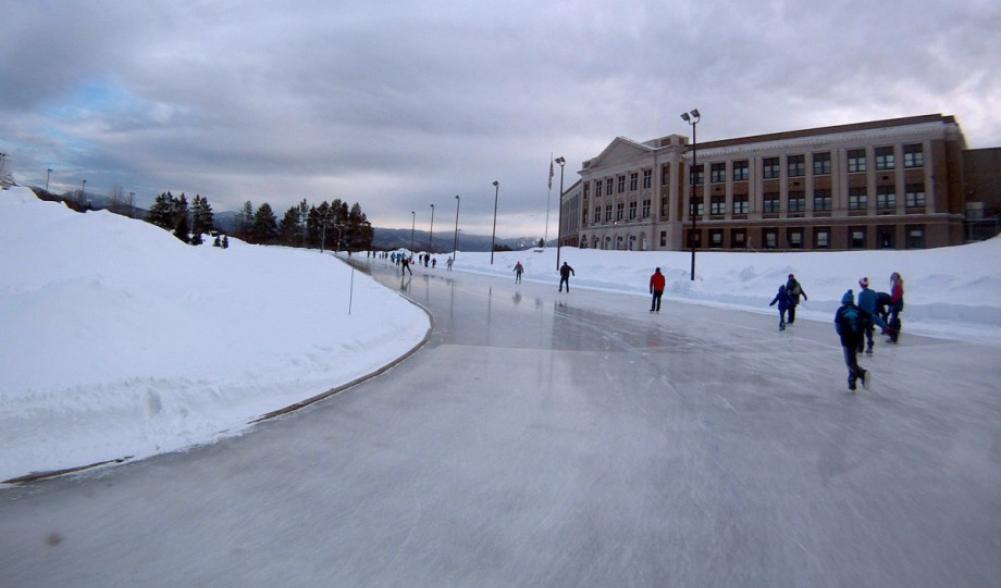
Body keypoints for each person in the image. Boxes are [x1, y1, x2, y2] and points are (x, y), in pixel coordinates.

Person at [835, 289, 868, 392]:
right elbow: (871, 317)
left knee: (850, 362)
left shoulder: (841, 310)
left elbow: (838, 325)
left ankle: (861, 373)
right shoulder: (858, 309)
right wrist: (885, 326)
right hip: (858, 339)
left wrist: (841, 334)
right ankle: (852, 381)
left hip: (847, 340)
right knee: (852, 359)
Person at [856, 277, 888, 355]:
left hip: (863, 317)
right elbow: (876, 299)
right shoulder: (873, 293)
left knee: (860, 333)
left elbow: (860, 306)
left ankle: (860, 348)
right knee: (869, 332)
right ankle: (870, 346)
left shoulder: (861, 294)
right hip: (870, 315)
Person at [887, 272, 905, 343]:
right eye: (893, 277)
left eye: (894, 277)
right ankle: (893, 335)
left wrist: (891, 301)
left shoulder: (897, 285)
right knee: (894, 318)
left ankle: (894, 336)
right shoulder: (898, 285)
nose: (893, 278)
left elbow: (897, 296)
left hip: (896, 304)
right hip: (896, 304)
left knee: (894, 319)